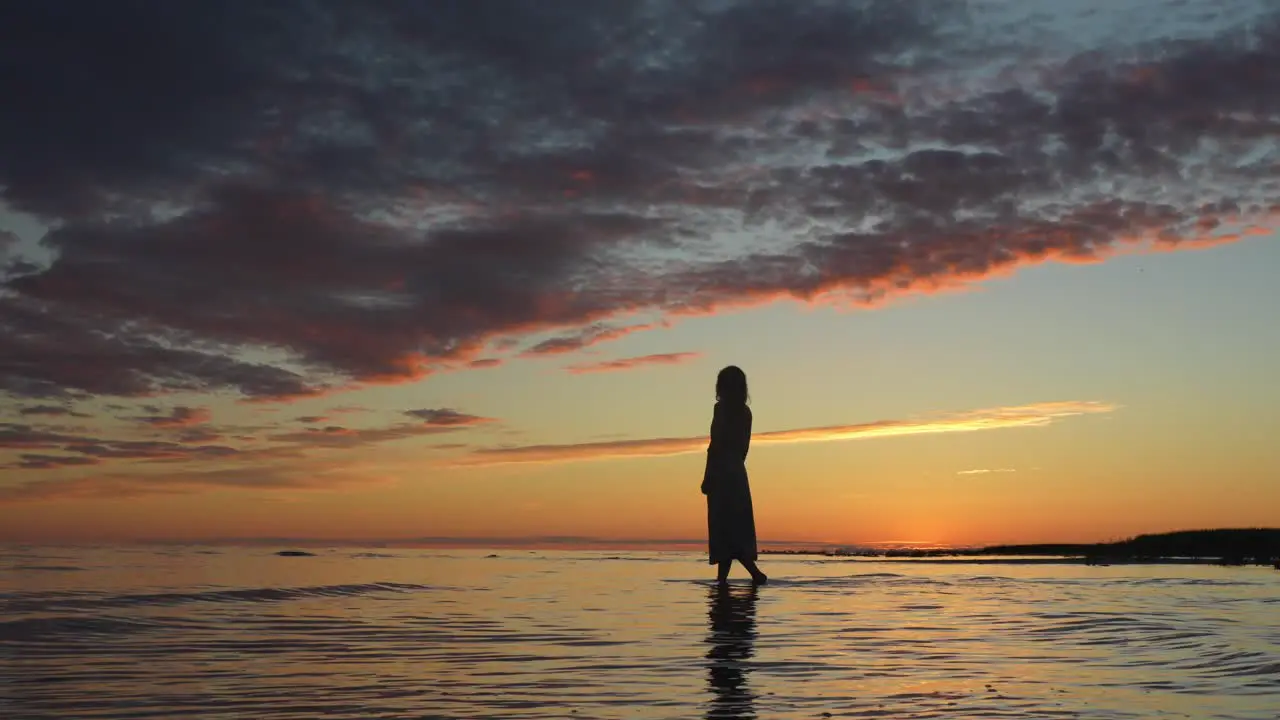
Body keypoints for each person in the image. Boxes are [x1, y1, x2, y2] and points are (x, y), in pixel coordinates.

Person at [701, 365, 767, 585]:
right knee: (736, 525)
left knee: (724, 527)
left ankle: (753, 574)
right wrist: (735, 466)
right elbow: (744, 447)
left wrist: (708, 475)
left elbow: (716, 443)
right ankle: (722, 580)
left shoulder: (721, 409)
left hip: (721, 471)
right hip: (738, 471)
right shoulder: (746, 412)